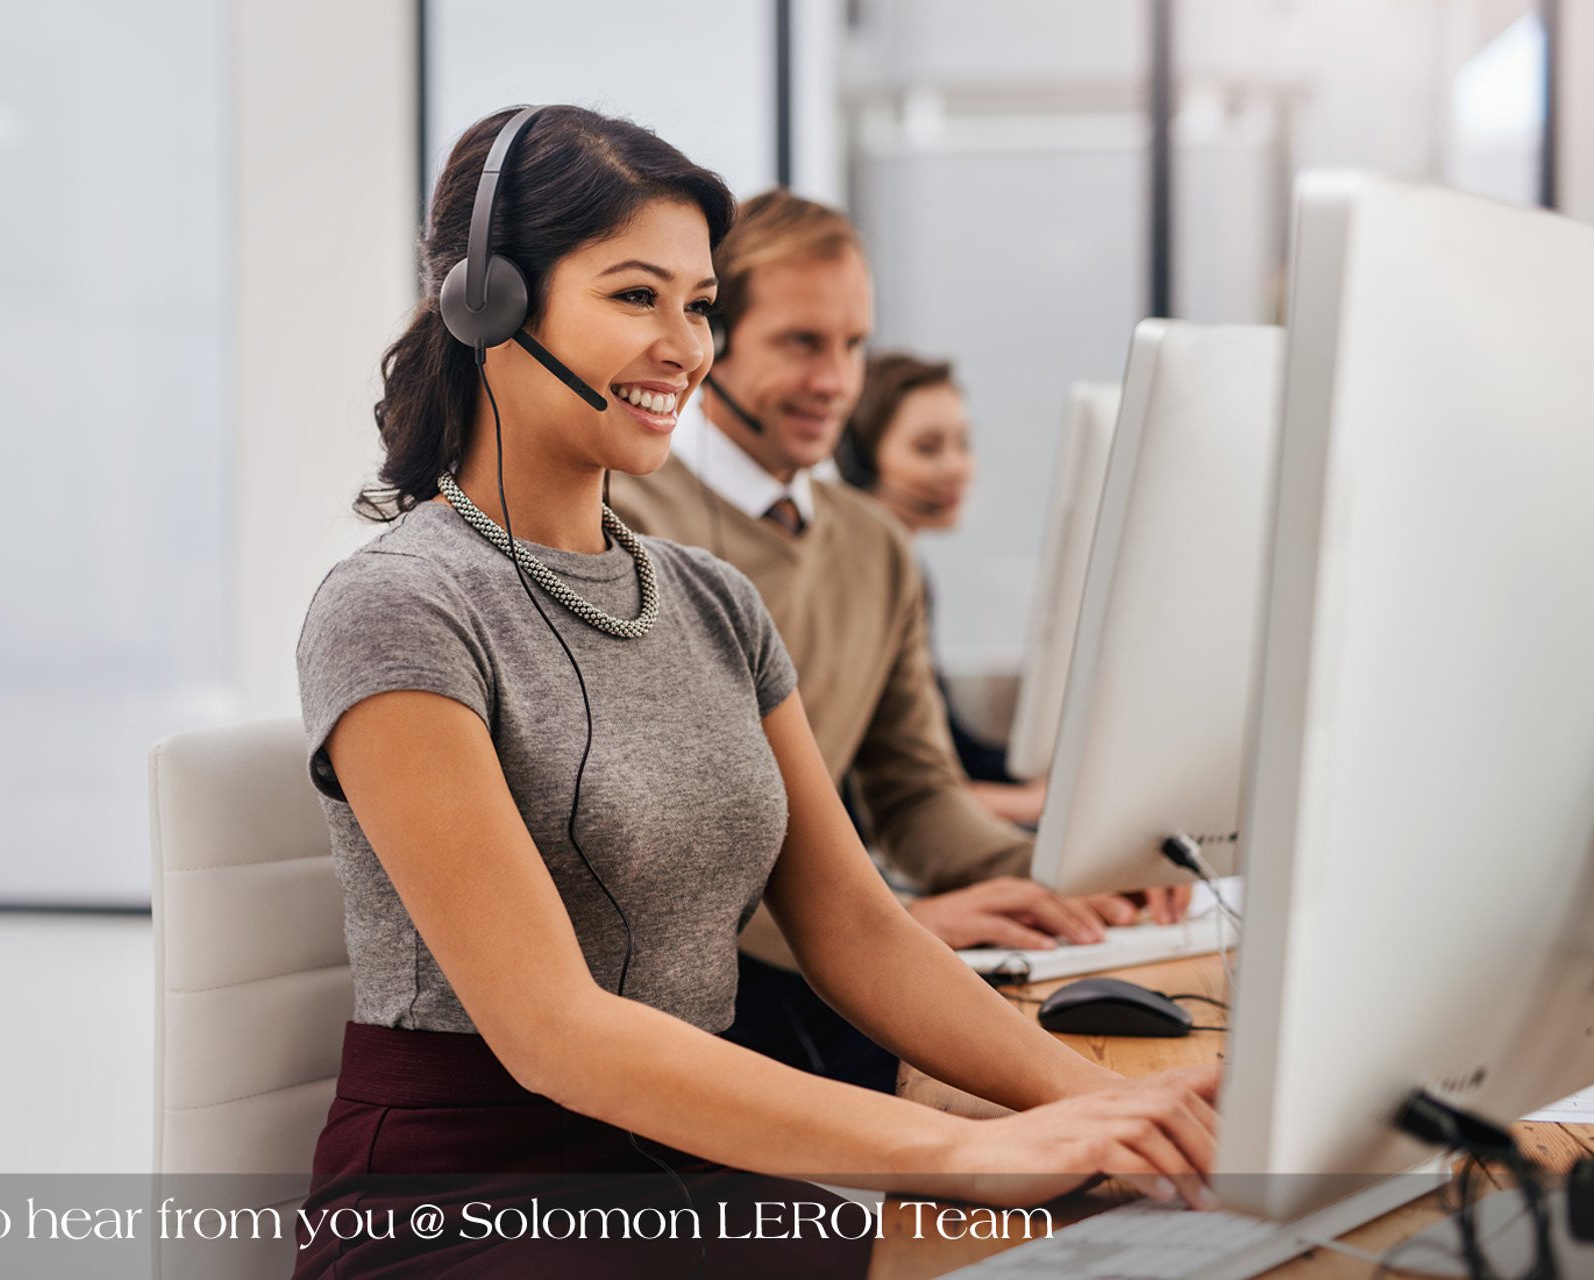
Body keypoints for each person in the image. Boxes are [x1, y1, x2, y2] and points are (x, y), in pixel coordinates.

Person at [293, 106, 1217, 1280]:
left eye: (701, 304)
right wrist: (957, 1148)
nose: (686, 345)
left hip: (682, 1157)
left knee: (1123, 1228)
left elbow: (857, 926)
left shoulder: (713, 599)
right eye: (637, 296)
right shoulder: (403, 606)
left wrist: (1109, 1105)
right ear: (491, 303)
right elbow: (551, 1029)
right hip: (468, 1197)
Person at [611, 192, 1187, 1090]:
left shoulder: (870, 543)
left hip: (833, 958)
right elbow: (657, 848)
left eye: (852, 345)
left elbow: (917, 797)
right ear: (713, 337)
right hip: (703, 1002)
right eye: (802, 342)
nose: (836, 382)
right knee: (1052, 1126)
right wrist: (898, 927)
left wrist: (1068, 880)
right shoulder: (623, 520)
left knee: (1124, 1101)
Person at [835, 350, 1046, 828]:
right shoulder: (851, 583)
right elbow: (870, 784)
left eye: (963, 443)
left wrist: (1045, 787)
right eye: (928, 448)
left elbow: (952, 750)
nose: (957, 467)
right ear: (858, 461)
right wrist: (1032, 806)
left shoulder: (908, 572)